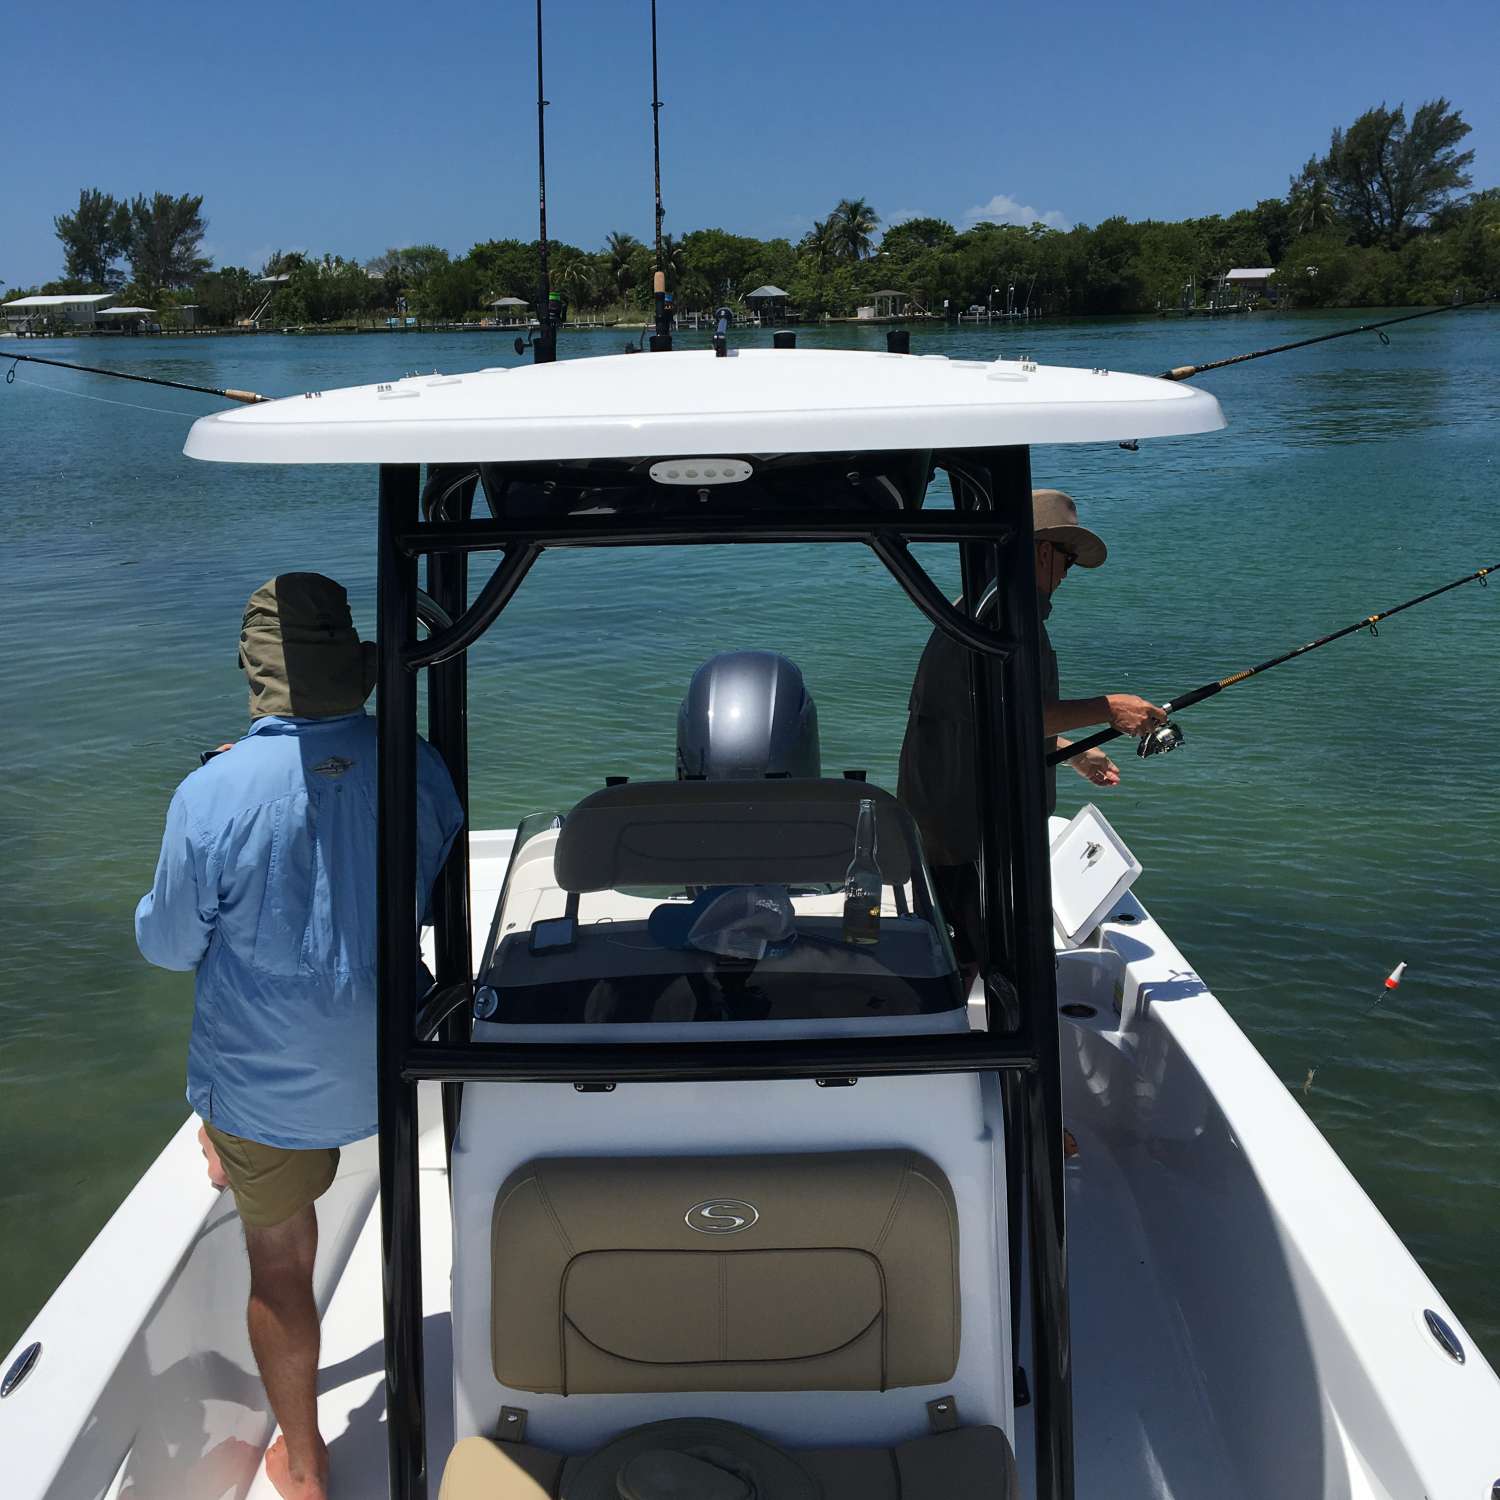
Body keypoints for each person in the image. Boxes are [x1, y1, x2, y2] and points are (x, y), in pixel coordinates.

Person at [136, 574, 464, 1500]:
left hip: (272, 1091)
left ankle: (308, 1463)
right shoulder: (421, 764)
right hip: (396, 1063)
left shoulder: (210, 792)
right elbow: (434, 871)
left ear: (254, 672)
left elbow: (167, 948)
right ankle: (227, 1135)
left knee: (279, 1265)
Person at [897, 489, 1165, 973]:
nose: (1066, 576)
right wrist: (1110, 708)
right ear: (1044, 551)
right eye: (1066, 561)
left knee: (960, 955)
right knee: (981, 963)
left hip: (950, 826)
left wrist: (1070, 751)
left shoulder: (978, 608)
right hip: (970, 836)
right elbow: (1016, 713)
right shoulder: (1007, 618)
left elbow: (985, 716)